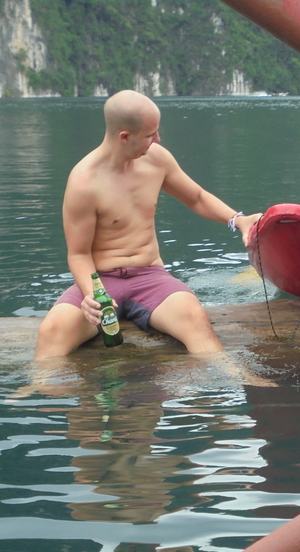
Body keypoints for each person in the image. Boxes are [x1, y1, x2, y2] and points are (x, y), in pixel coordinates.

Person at [34, 89, 260, 360]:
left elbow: (197, 197)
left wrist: (239, 220)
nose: (158, 139)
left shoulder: (157, 159)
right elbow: (79, 254)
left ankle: (228, 377)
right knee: (52, 331)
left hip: (150, 275)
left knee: (194, 318)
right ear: (125, 137)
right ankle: (41, 389)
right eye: (151, 134)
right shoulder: (84, 182)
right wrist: (91, 295)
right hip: (101, 280)